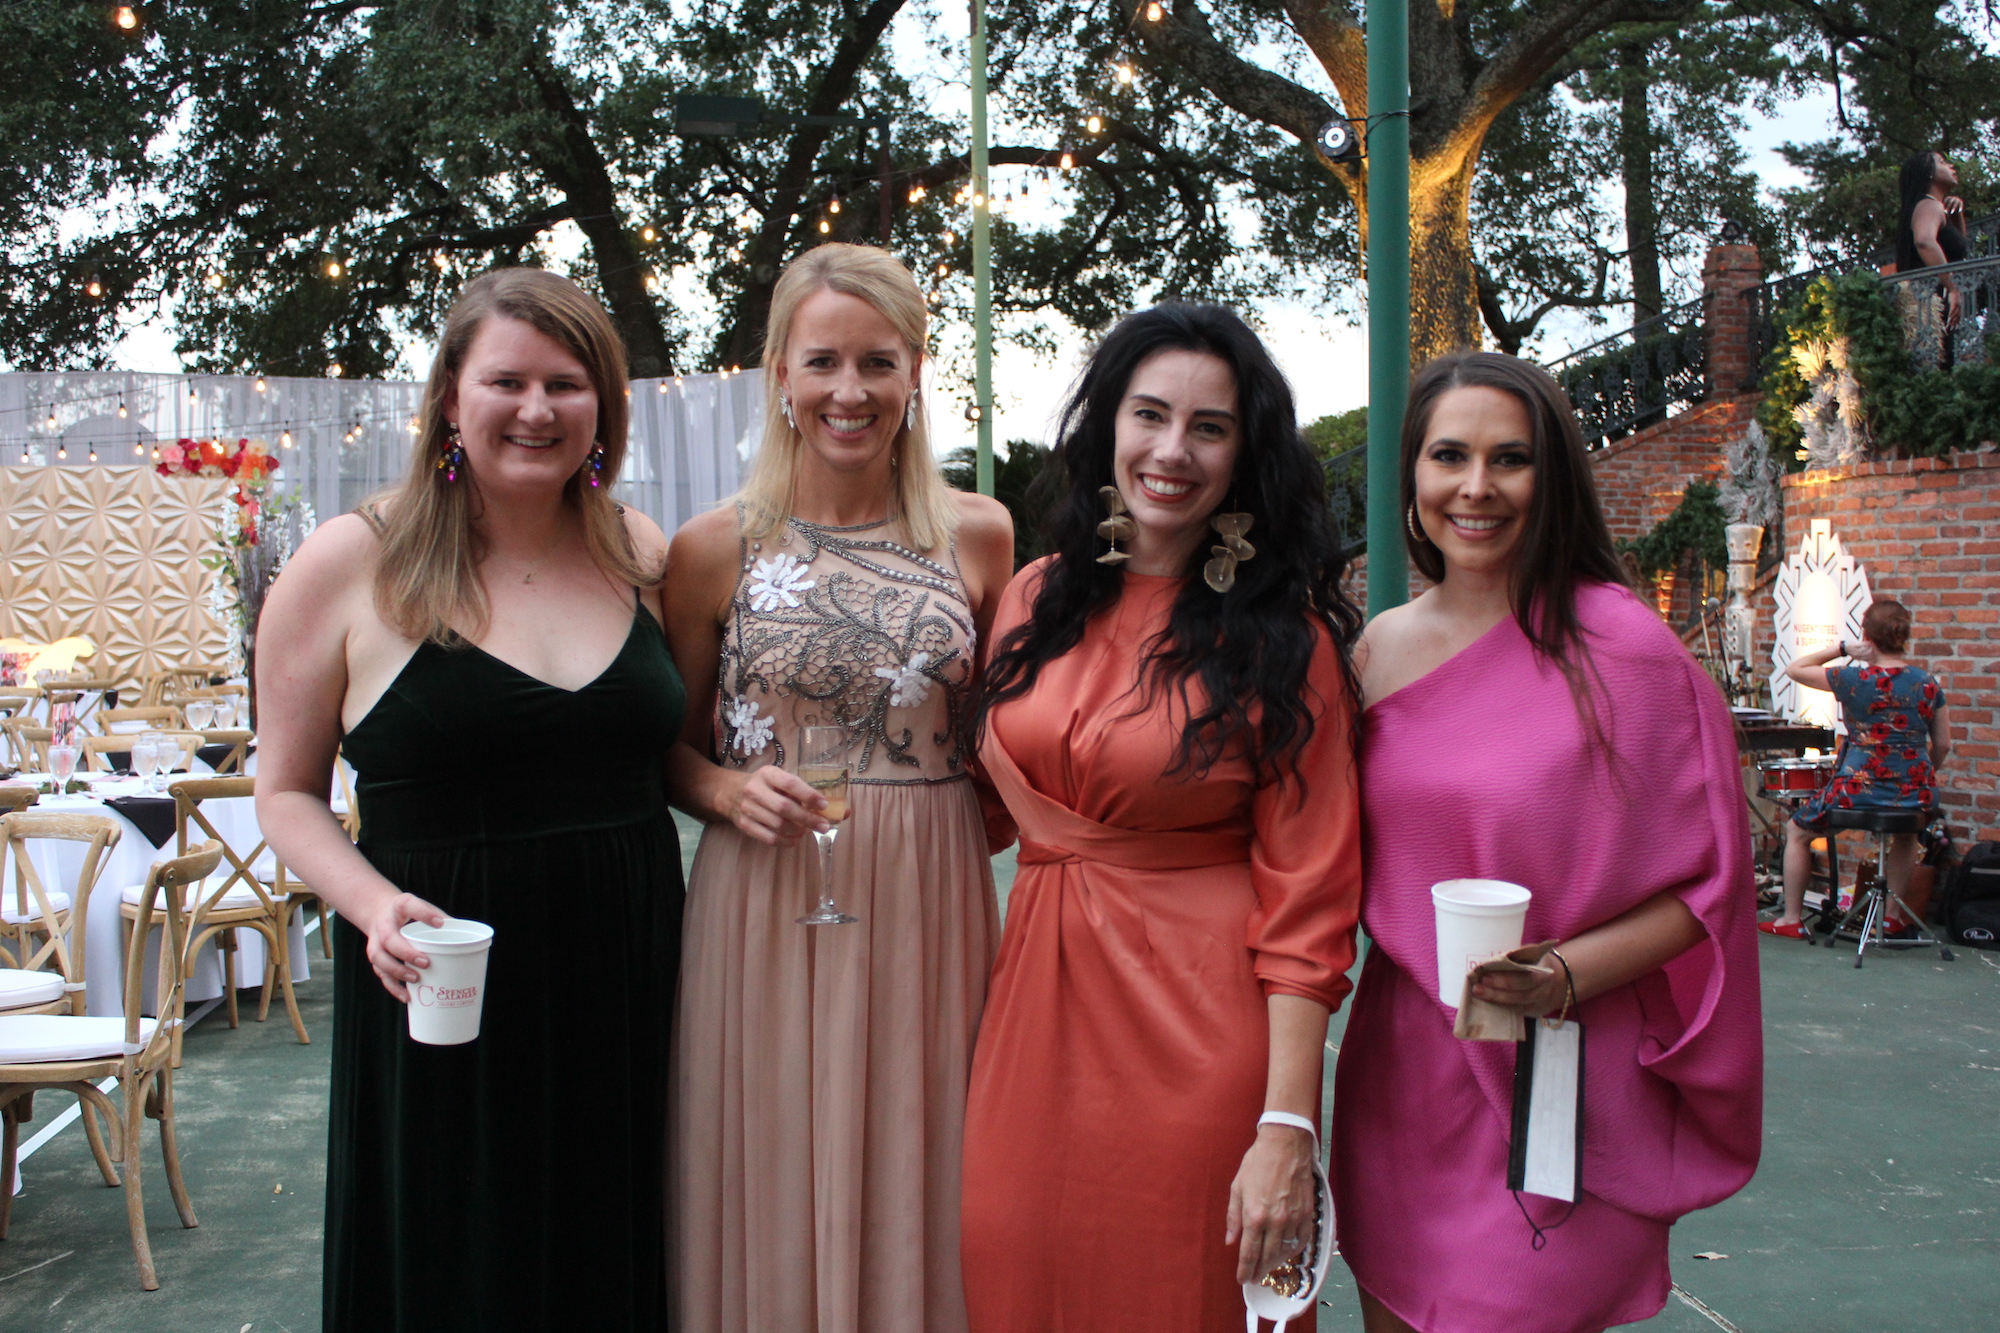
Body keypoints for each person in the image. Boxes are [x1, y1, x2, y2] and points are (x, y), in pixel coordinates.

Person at [256, 269, 683, 1331]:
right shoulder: (351, 559)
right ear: (451, 396)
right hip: (441, 974)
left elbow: (680, 754)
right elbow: (286, 793)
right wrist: (371, 907)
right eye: (507, 381)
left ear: (603, 405)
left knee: (612, 1237)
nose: (537, 409)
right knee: (455, 1250)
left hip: (625, 970)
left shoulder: (639, 552)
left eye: (566, 384)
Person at [1333, 352, 1762, 1333]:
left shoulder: (1625, 648)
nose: (1475, 486)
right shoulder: (1376, 648)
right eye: (1449, 455)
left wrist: (1562, 974)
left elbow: (1708, 885)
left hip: (1562, 1074)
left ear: (1552, 474)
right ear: (1412, 474)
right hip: (1404, 1073)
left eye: (1510, 458)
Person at [958, 304, 1364, 1331]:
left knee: (1181, 1293)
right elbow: (986, 805)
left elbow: (1311, 901)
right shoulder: (1035, 596)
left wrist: (1286, 1122)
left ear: (1244, 454)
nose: (1171, 451)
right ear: (1108, 425)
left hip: (1200, 1028)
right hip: (1034, 1013)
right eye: (1149, 415)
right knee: (1015, 1270)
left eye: (1208, 428)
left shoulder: (1285, 641)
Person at [663, 243, 1014, 1333]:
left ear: (915, 371)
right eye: (821, 361)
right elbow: (665, 750)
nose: (848, 391)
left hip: (929, 897)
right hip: (766, 891)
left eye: (876, 361)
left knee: (927, 1140)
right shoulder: (712, 548)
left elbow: (1004, 731)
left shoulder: (980, 534)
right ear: (779, 372)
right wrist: (724, 793)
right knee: (774, 1146)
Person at [1763, 599, 1950, 939]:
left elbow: (1795, 669)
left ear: (1867, 636)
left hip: (1856, 790)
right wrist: (1922, 775)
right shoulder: (1927, 683)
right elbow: (1944, 744)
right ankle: (1891, 917)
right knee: (1907, 834)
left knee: (1797, 832)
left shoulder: (1852, 678)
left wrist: (1842, 648)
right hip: (1913, 791)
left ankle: (1791, 918)